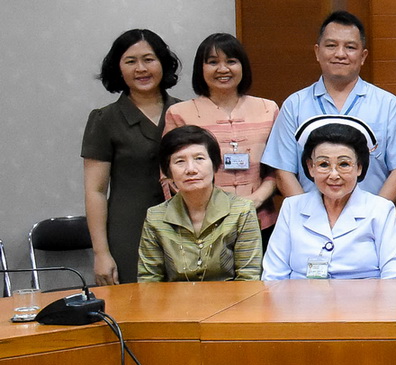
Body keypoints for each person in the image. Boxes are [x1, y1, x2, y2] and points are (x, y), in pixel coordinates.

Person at [261, 10, 396, 201]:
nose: (340, 54)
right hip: (309, 224)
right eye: (331, 45)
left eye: (350, 47)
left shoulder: (389, 105)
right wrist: (308, 216)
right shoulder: (295, 105)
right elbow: (283, 170)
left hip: (372, 224)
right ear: (317, 52)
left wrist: (375, 216)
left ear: (363, 55)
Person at [82, 28, 183, 285]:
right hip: (129, 230)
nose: (141, 68)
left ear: (163, 63)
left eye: (149, 59)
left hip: (185, 226)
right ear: (118, 68)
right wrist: (101, 253)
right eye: (130, 61)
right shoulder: (104, 119)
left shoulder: (185, 112)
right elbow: (95, 190)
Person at [262, 119, 396, 280]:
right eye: (324, 164)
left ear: (359, 167)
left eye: (344, 164)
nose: (334, 175)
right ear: (311, 167)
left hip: (365, 302)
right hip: (302, 301)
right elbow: (273, 274)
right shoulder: (292, 207)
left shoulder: (381, 209)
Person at [164, 33, 279, 233]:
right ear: (201, 69)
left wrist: (255, 200)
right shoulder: (179, 113)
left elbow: (278, 168)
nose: (223, 69)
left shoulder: (268, 109)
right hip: (201, 224)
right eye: (213, 62)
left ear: (243, 66)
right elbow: (169, 174)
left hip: (260, 220)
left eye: (231, 61)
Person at [137, 126, 262, 281]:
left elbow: (248, 278)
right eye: (180, 161)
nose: (191, 169)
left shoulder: (241, 211)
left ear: (215, 164)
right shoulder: (155, 216)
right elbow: (149, 281)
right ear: (168, 172)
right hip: (173, 303)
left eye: (199, 159)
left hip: (232, 302)